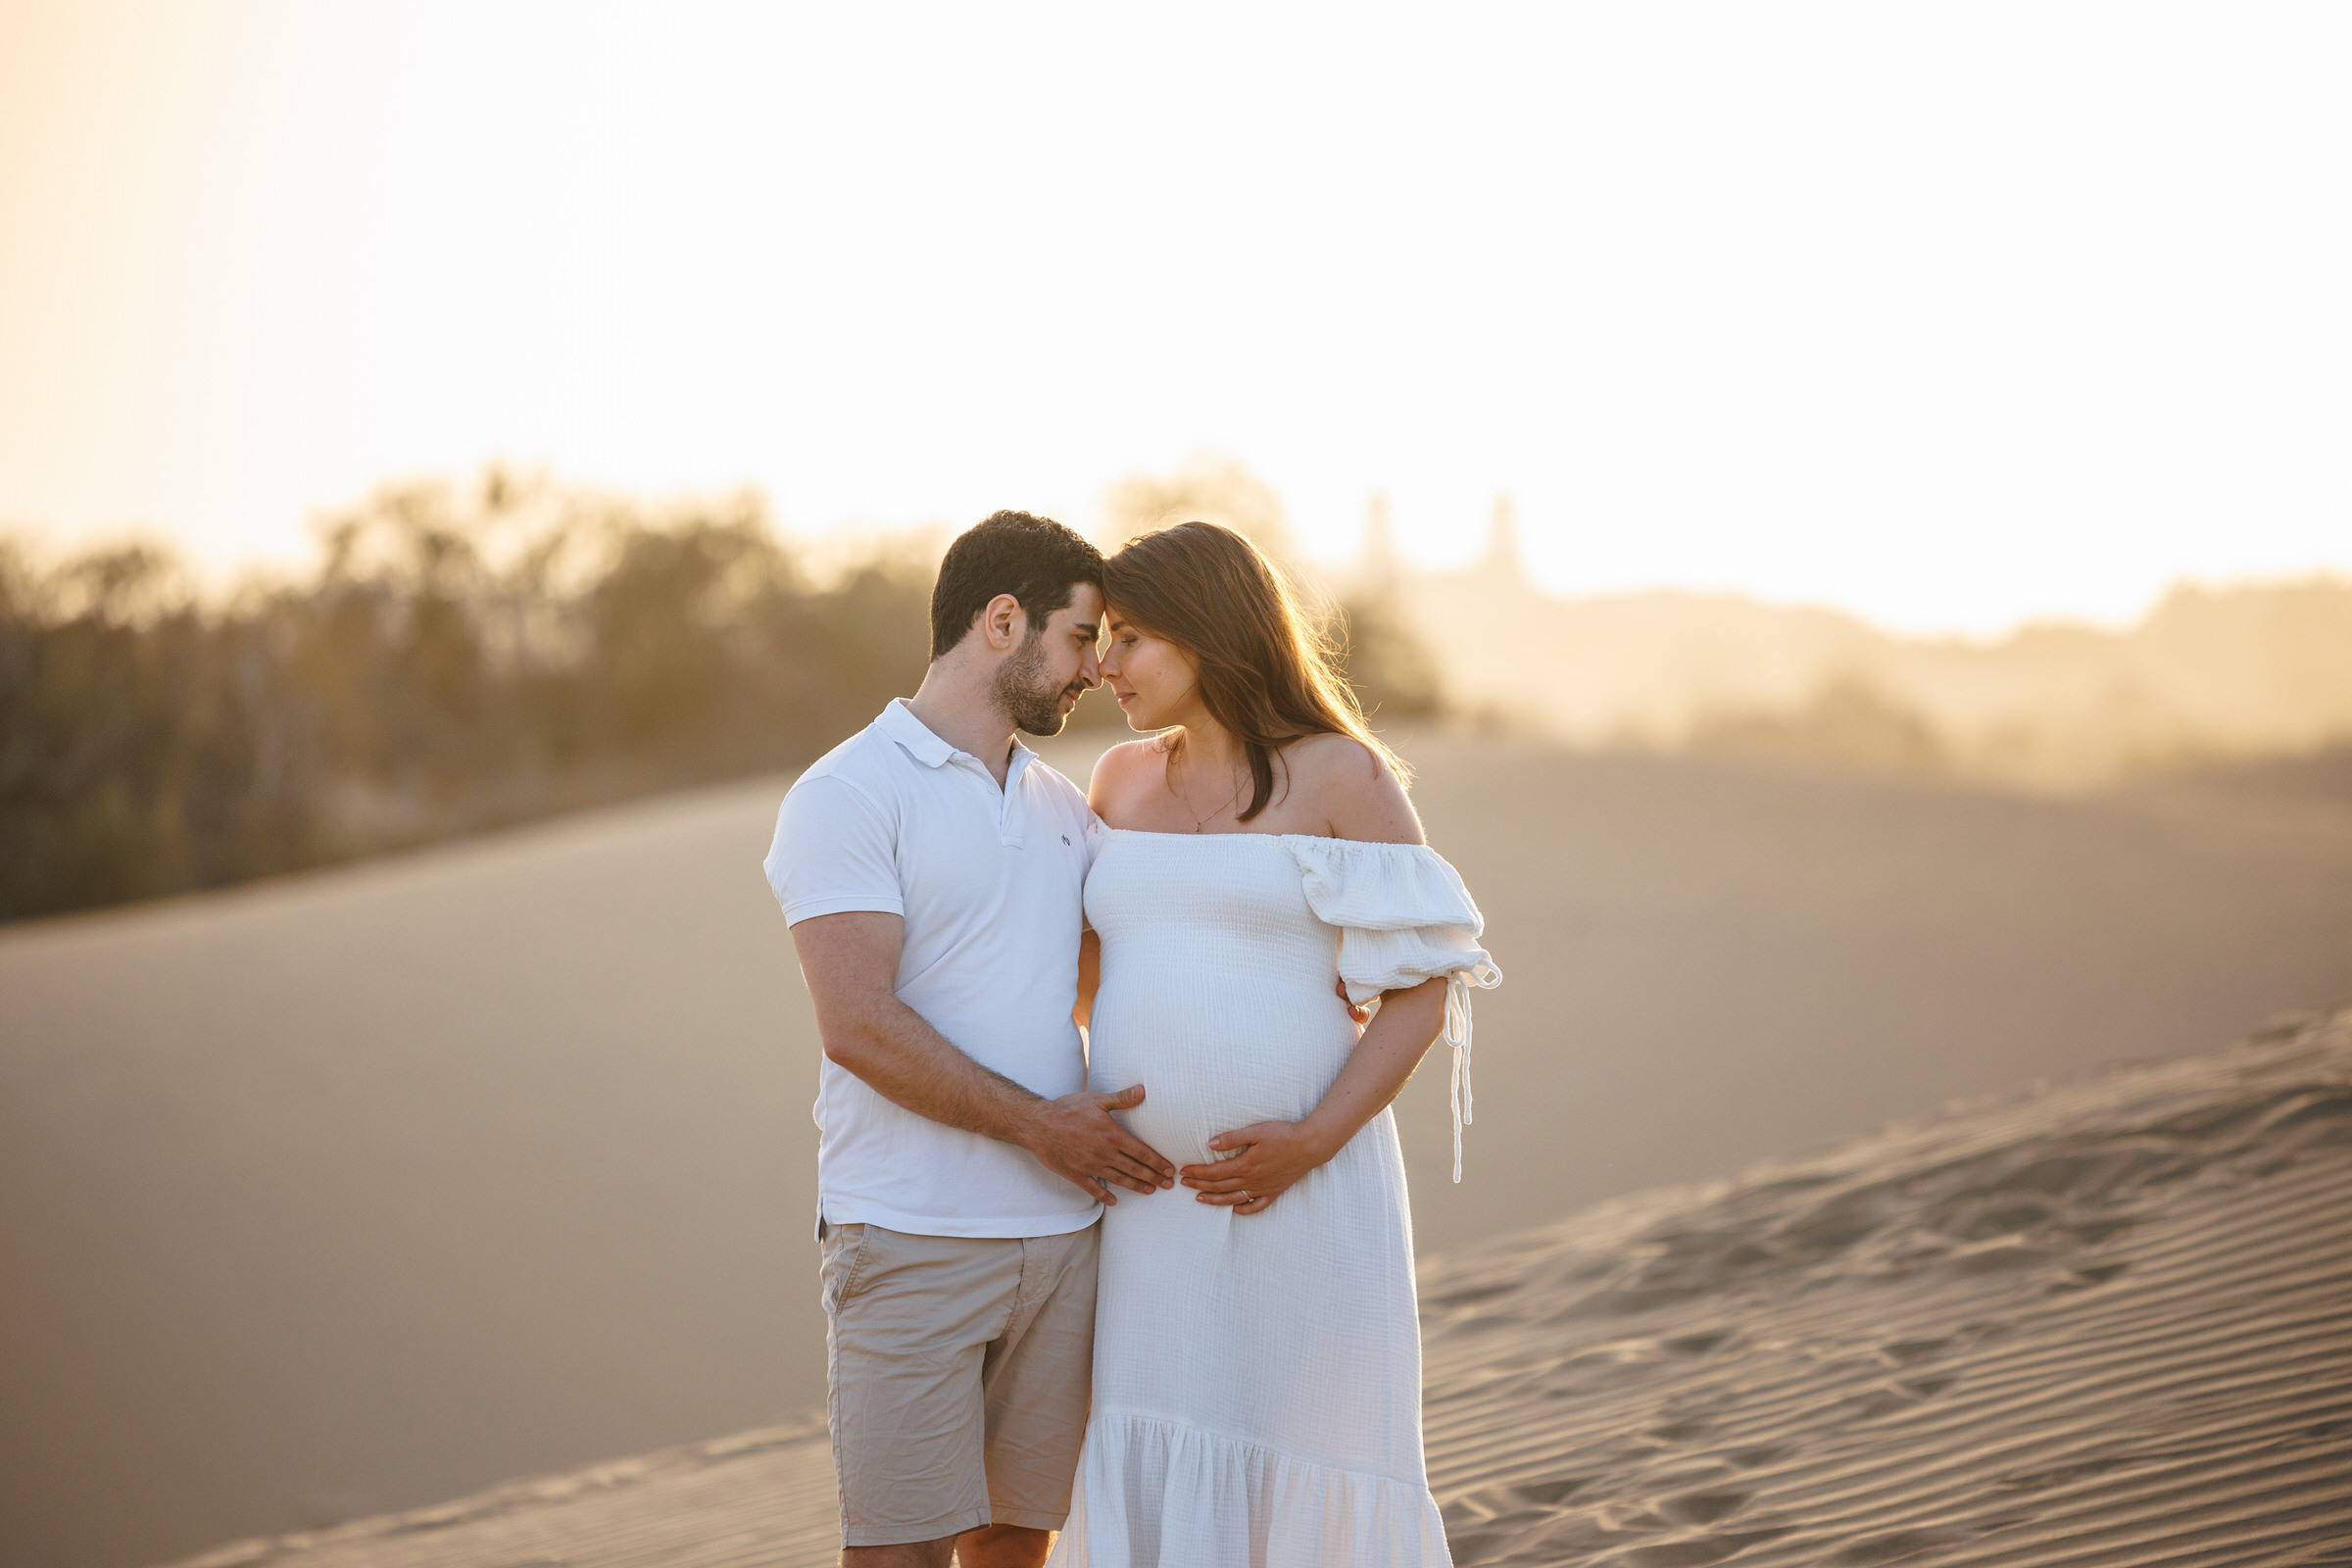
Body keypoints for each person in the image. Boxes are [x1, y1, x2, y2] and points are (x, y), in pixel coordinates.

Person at [1048, 521, 1500, 1567]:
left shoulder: (1339, 774)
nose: (1107, 665)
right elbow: (1087, 974)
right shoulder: (1116, 781)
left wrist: (1312, 1137)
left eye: (1133, 638)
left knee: (1302, 1452)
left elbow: (1422, 991)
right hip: (1149, 1206)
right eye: (1104, 640)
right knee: (1152, 1439)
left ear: (1209, 635)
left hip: (1302, 1194)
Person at [764, 511, 1179, 1568]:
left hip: (1062, 1245)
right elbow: (857, 1026)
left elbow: (1119, 975)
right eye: (1083, 637)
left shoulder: (1066, 811)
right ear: (1004, 621)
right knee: (899, 1552)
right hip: (908, 1241)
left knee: (1012, 1543)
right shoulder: (847, 793)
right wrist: (1044, 1128)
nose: (1094, 669)